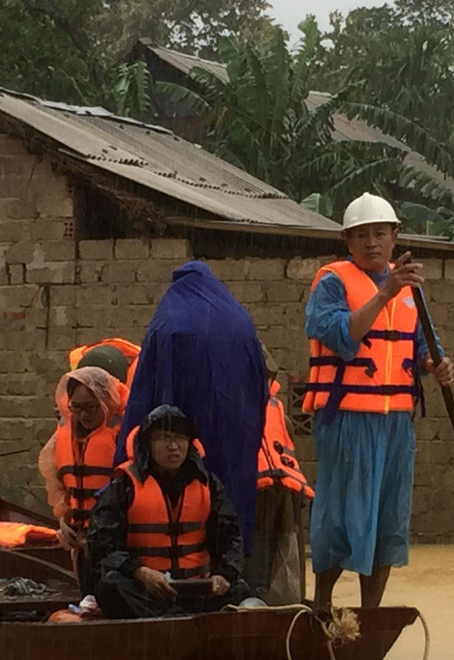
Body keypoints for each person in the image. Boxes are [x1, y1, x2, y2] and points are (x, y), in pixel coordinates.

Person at [303, 193, 453, 612]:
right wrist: (384, 293)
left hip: (395, 423)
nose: (372, 242)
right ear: (348, 242)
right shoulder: (332, 281)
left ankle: (370, 614)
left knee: (388, 516)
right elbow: (341, 336)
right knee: (338, 512)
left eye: (380, 234)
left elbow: (426, 346)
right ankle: (322, 604)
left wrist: (436, 364)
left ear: (394, 237)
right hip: (346, 417)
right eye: (362, 235)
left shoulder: (409, 290)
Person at [115, 261, 268, 556]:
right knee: (229, 505)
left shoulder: (170, 319)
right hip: (235, 436)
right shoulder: (241, 323)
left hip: (180, 435)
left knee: (181, 506)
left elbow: (147, 388)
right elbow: (260, 385)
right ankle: (231, 571)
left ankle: (178, 571)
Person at [89, 404, 247, 619]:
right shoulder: (124, 485)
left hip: (198, 591)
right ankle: (173, 623)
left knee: (239, 589)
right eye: (163, 438)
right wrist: (140, 572)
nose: (173, 446)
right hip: (146, 591)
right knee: (110, 586)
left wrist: (224, 575)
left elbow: (231, 538)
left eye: (180, 438)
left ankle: (174, 620)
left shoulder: (208, 484)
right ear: (147, 444)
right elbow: (101, 542)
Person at [36, 365, 128, 589]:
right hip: (80, 540)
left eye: (90, 407)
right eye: (76, 407)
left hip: (117, 544)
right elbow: (56, 483)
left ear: (106, 401)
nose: (83, 415)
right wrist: (63, 519)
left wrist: (100, 539)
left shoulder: (123, 435)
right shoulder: (64, 435)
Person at [246, 345, 313, 605]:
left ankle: (277, 605)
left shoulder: (277, 411)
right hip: (259, 492)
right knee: (261, 559)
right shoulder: (275, 408)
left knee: (279, 557)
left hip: (280, 494)